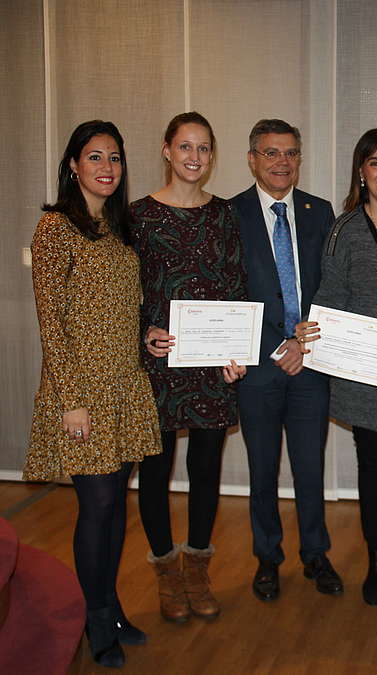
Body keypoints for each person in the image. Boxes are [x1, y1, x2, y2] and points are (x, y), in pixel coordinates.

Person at [24, 120, 162, 667]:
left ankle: (110, 604)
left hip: (124, 382)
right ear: (73, 166)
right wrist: (69, 401)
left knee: (113, 508)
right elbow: (51, 323)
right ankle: (96, 618)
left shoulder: (120, 228)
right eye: (95, 157)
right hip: (81, 388)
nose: (107, 167)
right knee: (96, 505)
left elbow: (121, 306)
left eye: (115, 158)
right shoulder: (55, 229)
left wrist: (144, 335)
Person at [131, 112, 247, 623]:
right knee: (154, 472)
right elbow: (121, 293)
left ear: (212, 154)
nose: (194, 157)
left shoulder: (224, 214)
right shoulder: (136, 216)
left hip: (211, 364)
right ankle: (165, 573)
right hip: (159, 361)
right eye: (185, 147)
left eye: (203, 148)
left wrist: (237, 351)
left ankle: (197, 568)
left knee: (205, 470)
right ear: (166, 150)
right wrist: (142, 333)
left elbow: (237, 285)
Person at [230, 118, 342, 602]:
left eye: (291, 153)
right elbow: (225, 290)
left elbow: (332, 286)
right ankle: (267, 558)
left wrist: (305, 344)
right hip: (256, 368)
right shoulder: (228, 213)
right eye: (271, 153)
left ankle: (316, 554)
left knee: (310, 466)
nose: (282, 162)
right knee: (262, 469)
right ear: (252, 158)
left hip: (310, 364)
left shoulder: (321, 212)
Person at [310, 129, 377, 606]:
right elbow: (329, 299)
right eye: (374, 163)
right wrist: (306, 336)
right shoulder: (343, 229)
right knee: (373, 474)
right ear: (361, 171)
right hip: (366, 375)